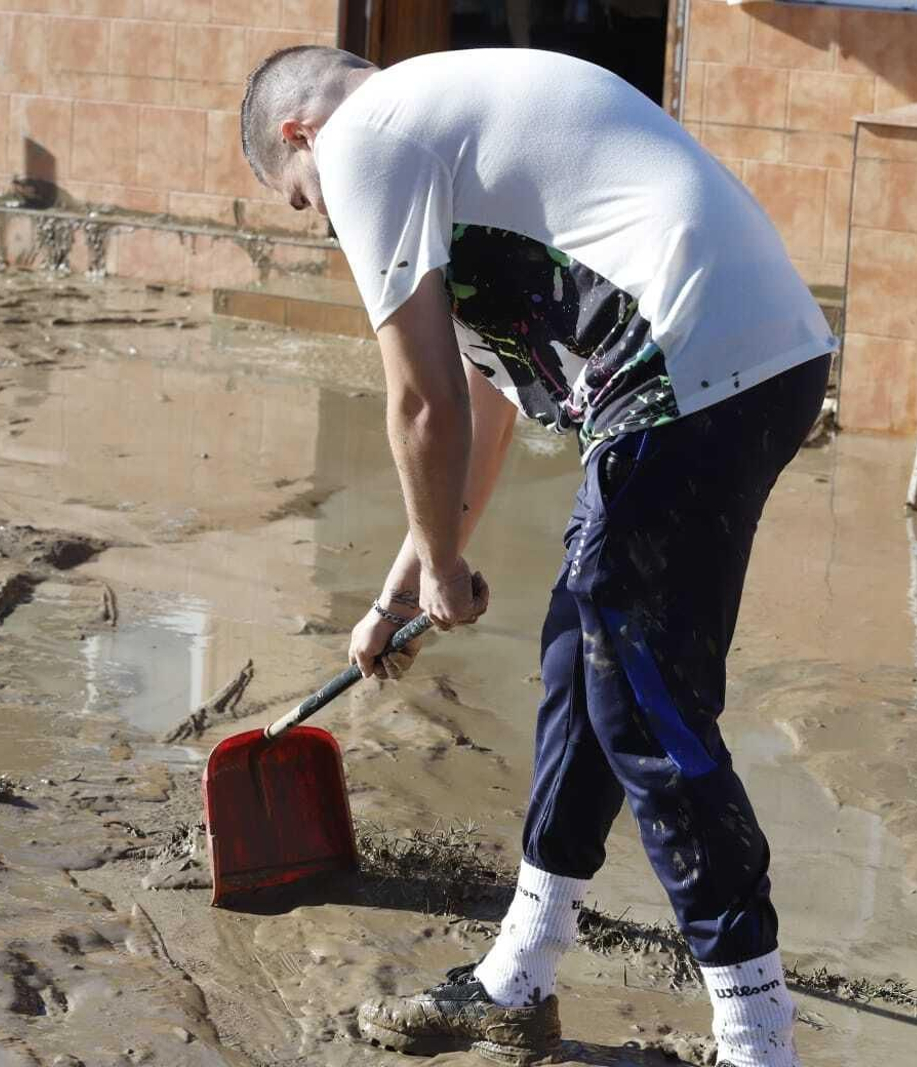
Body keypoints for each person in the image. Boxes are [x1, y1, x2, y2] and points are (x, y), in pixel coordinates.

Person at [238, 45, 834, 1067]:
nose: (325, 219)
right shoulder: (456, 141)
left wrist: (442, 566)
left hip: (680, 365)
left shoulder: (365, 138)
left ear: (300, 135)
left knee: (645, 705)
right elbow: (482, 407)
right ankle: (518, 975)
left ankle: (757, 1041)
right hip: (762, 358)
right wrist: (405, 587)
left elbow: (420, 402)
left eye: (303, 201)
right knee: (584, 655)